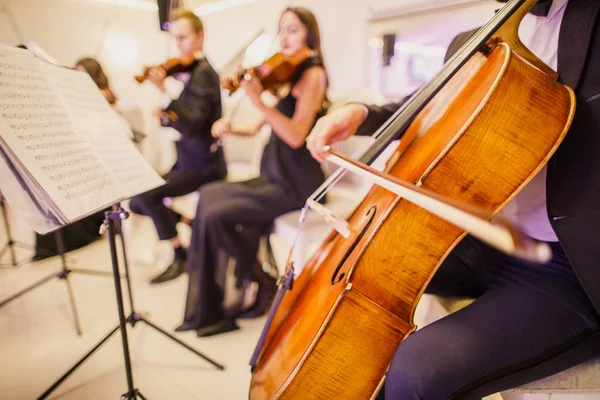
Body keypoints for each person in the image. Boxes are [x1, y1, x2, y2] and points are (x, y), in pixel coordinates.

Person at [306, 0, 600, 398]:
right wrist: (361, 113)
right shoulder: (481, 36)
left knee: (419, 369)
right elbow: (427, 101)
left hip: (568, 264)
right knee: (360, 267)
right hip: (481, 237)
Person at [176, 7, 329, 337]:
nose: (284, 38)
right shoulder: (286, 76)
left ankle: (255, 284)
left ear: (309, 35)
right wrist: (231, 129)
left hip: (296, 183)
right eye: (281, 30)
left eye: (292, 30)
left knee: (217, 211)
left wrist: (259, 100)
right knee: (209, 195)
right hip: (272, 174)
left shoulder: (313, 75)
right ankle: (255, 282)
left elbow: (296, 135)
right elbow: (263, 125)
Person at [129, 10, 227, 284]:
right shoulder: (190, 73)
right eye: (175, 38)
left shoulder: (205, 73)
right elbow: (185, 121)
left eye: (183, 37)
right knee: (136, 201)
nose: (178, 44)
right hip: (187, 160)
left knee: (146, 197)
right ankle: (188, 222)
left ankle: (178, 254)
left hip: (204, 166)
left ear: (200, 36)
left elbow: (195, 125)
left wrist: (163, 93)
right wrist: (166, 116)